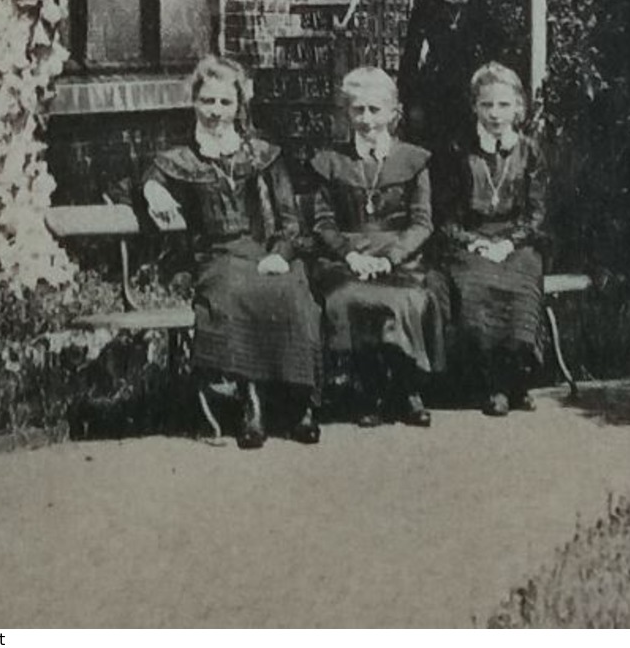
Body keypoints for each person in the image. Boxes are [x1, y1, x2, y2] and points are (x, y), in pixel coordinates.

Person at [142, 56, 323, 449]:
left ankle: (301, 404)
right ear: (193, 102)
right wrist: (153, 190)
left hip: (262, 251)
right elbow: (142, 182)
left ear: (239, 106)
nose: (215, 112)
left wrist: (280, 253)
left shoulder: (262, 155)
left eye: (225, 103)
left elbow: (289, 217)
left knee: (292, 290)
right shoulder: (180, 160)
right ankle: (251, 403)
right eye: (207, 101)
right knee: (235, 293)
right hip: (215, 257)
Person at [309, 67, 444, 427]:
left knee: (408, 299)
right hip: (346, 258)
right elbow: (322, 222)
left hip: (399, 257)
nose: (367, 120)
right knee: (347, 298)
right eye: (358, 110)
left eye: (375, 110)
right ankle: (367, 389)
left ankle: (407, 387)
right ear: (346, 113)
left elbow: (422, 223)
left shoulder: (414, 160)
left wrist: (390, 258)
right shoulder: (330, 162)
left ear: (393, 114)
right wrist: (349, 255)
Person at [441, 63, 546, 416]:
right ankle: (494, 385)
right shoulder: (459, 150)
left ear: (518, 107)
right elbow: (446, 217)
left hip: (515, 242)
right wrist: (474, 243)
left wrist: (509, 243)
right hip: (470, 242)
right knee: (479, 286)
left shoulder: (530, 151)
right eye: (487, 106)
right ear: (475, 107)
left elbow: (536, 214)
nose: (495, 114)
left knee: (521, 283)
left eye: (503, 105)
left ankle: (518, 379)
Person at [398, 0, 508, 205]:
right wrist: (409, 99)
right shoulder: (426, 5)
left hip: (469, 89)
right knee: (436, 156)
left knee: (469, 154)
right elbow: (411, 54)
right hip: (435, 90)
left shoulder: (480, 5)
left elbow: (497, 46)